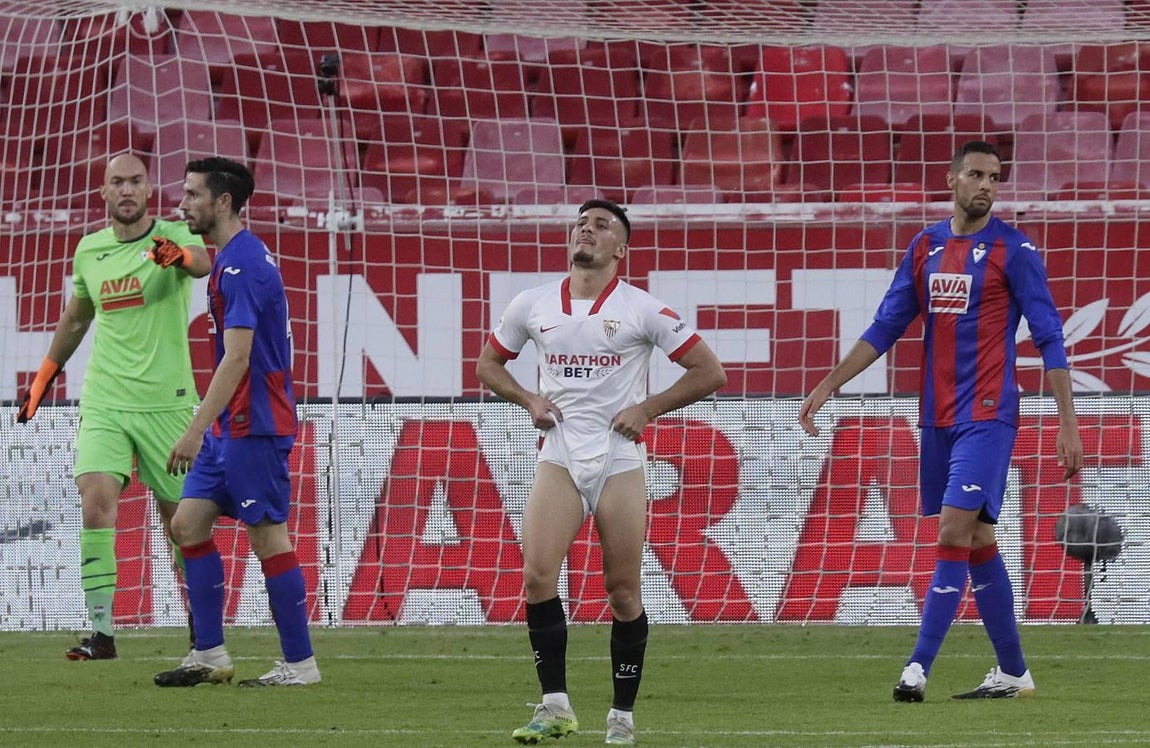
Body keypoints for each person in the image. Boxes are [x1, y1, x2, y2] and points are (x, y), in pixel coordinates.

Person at [798, 140, 1083, 702]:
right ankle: (1013, 673)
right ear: (952, 179)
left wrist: (1066, 421)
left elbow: (1049, 336)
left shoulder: (1014, 249)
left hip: (989, 415)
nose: (986, 185)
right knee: (976, 539)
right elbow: (885, 326)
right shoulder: (925, 246)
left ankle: (916, 668)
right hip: (936, 418)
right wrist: (829, 384)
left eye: (995, 178)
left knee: (952, 531)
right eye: (976, 174)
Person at [476, 199, 727, 744]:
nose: (587, 230)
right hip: (560, 453)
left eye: (602, 225)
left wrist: (647, 409)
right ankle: (555, 705)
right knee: (537, 577)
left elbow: (710, 371)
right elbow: (488, 365)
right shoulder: (532, 303)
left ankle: (621, 716)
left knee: (622, 590)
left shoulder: (643, 309)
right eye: (582, 223)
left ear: (621, 249)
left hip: (617, 458)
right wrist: (527, 399)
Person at [16, 153, 211, 660]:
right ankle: (101, 633)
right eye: (116, 183)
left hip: (165, 404)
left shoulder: (171, 236)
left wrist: (178, 256)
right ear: (103, 193)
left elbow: (203, 262)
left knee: (181, 523)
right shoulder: (90, 250)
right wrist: (41, 382)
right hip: (105, 400)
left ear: (149, 191)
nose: (126, 190)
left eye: (135, 182)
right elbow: (77, 318)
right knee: (95, 502)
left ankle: (203, 627)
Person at [152, 157, 319, 688]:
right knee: (187, 525)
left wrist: (195, 427)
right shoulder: (230, 259)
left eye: (193, 195)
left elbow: (238, 357)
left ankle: (300, 664)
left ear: (222, 202)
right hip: (230, 426)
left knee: (268, 537)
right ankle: (210, 654)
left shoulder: (245, 267)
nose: (183, 205)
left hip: (254, 424)